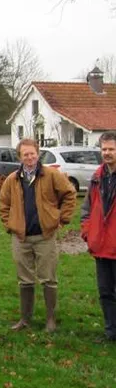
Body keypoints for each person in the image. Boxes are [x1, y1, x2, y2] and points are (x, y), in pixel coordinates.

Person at [0, 139, 75, 332]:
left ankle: (50, 319)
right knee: (24, 279)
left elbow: (69, 194)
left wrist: (62, 219)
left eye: (32, 153)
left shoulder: (51, 175)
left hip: (45, 236)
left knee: (48, 278)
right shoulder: (13, 179)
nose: (30, 157)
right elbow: (3, 203)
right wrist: (10, 225)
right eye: (25, 154)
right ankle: (25, 319)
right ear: (20, 157)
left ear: (38, 153)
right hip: (21, 238)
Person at [81, 130, 116, 341]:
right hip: (101, 247)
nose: (107, 153)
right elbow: (86, 210)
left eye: (111, 149)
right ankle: (111, 332)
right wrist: (88, 233)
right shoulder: (97, 178)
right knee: (105, 293)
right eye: (104, 149)